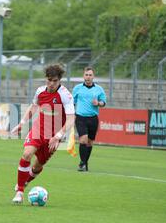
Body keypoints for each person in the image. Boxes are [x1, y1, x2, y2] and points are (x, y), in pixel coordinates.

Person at [10, 64, 75, 203]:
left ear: (60, 80)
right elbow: (33, 107)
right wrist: (22, 123)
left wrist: (58, 136)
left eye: (55, 81)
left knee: (37, 166)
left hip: (54, 135)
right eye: (49, 80)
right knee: (27, 154)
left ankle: (25, 181)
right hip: (39, 129)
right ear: (46, 79)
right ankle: (20, 192)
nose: (51, 84)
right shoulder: (40, 91)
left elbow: (71, 119)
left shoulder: (65, 95)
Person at [72, 67, 106, 172]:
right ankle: (82, 163)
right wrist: (72, 114)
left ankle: (85, 163)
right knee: (83, 140)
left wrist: (98, 103)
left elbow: (103, 102)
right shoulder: (77, 88)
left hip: (93, 118)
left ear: (93, 76)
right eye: (86, 75)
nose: (88, 77)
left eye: (90, 75)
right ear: (83, 76)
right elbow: (72, 102)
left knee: (90, 142)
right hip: (80, 117)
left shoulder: (99, 89)